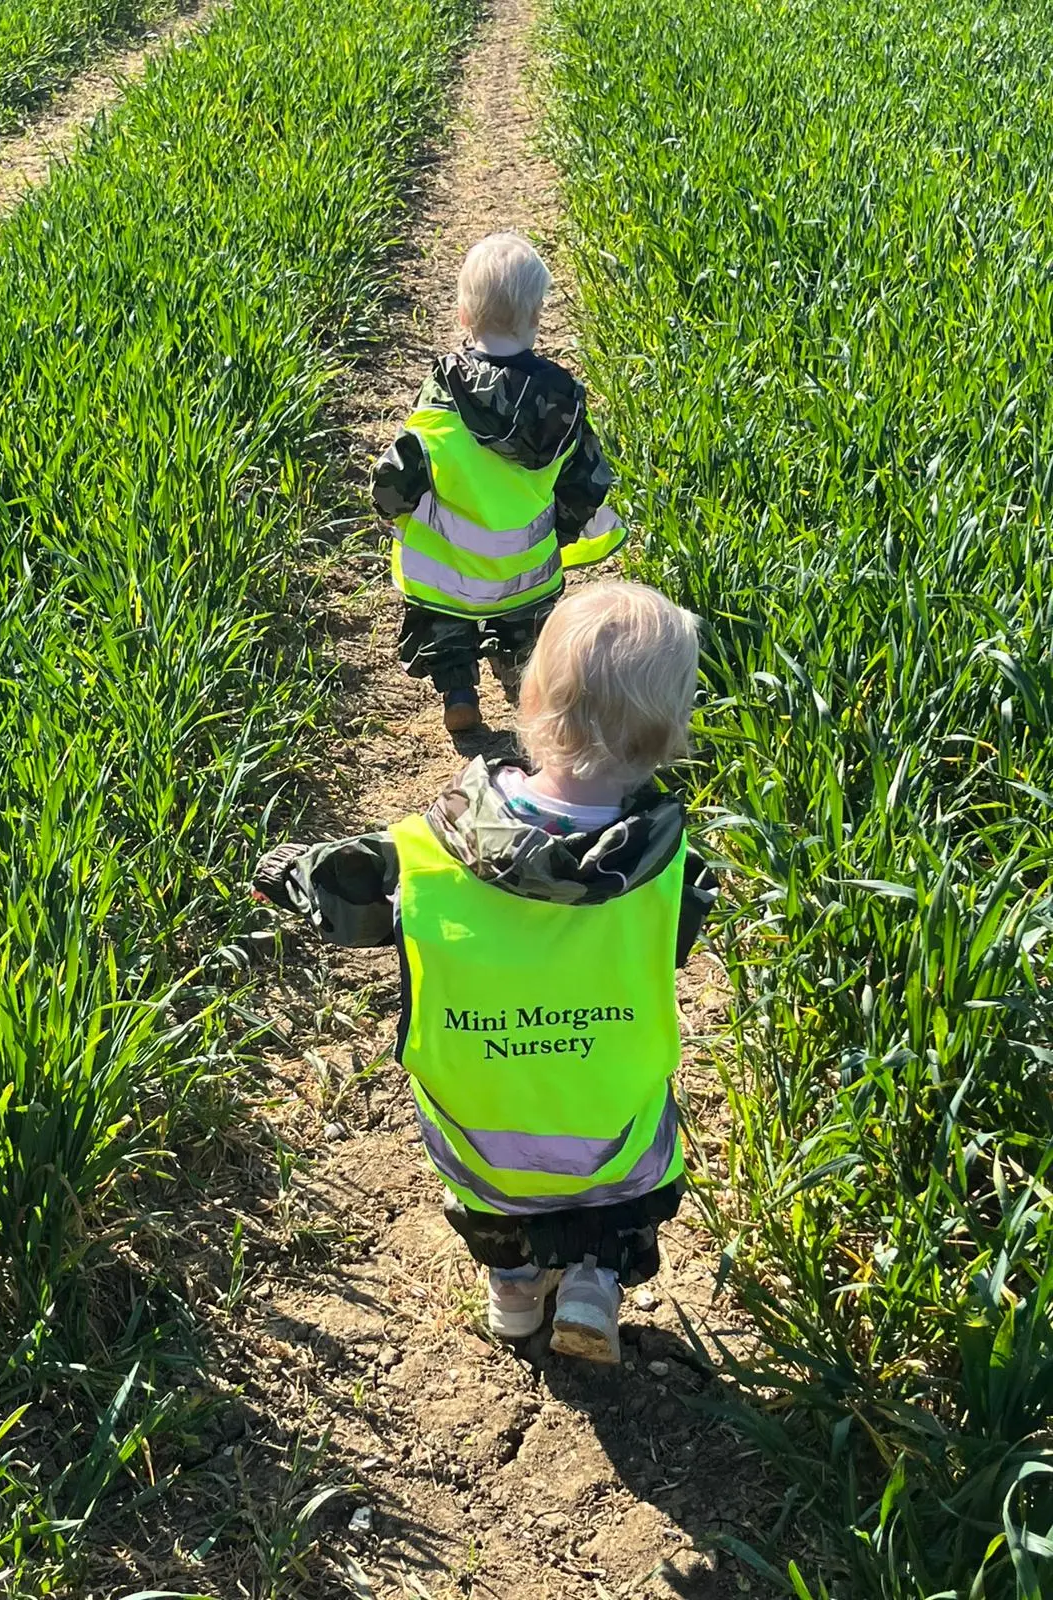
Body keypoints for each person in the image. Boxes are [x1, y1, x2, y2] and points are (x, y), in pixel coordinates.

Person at [253, 582, 717, 1364]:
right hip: (615, 1134)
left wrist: (292, 874)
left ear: (531, 700)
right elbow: (669, 949)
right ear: (672, 733)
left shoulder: (422, 857)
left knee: (497, 1211)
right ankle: (592, 1286)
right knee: (614, 1207)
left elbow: (345, 897)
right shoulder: (672, 869)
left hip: (481, 1142)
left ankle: (513, 1289)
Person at [371, 231, 627, 734]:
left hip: (447, 576)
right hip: (526, 575)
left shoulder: (440, 402)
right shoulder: (562, 405)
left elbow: (395, 475)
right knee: (526, 632)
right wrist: (564, 529)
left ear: (464, 317)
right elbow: (585, 482)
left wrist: (394, 514)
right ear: (536, 318)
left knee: (443, 624)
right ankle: (521, 681)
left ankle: (459, 691)